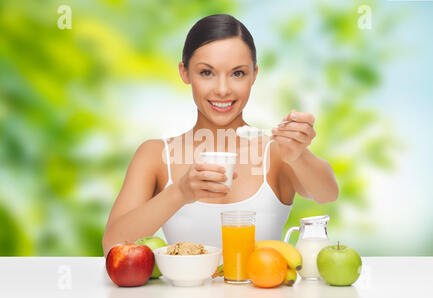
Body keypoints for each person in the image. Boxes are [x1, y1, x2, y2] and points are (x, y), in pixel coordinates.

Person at [102, 14, 338, 257]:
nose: (223, 90)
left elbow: (327, 194)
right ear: (185, 73)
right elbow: (113, 243)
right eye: (207, 73)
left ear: (254, 74)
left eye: (237, 73)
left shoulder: (277, 152)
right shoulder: (155, 155)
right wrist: (180, 193)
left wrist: (299, 155)